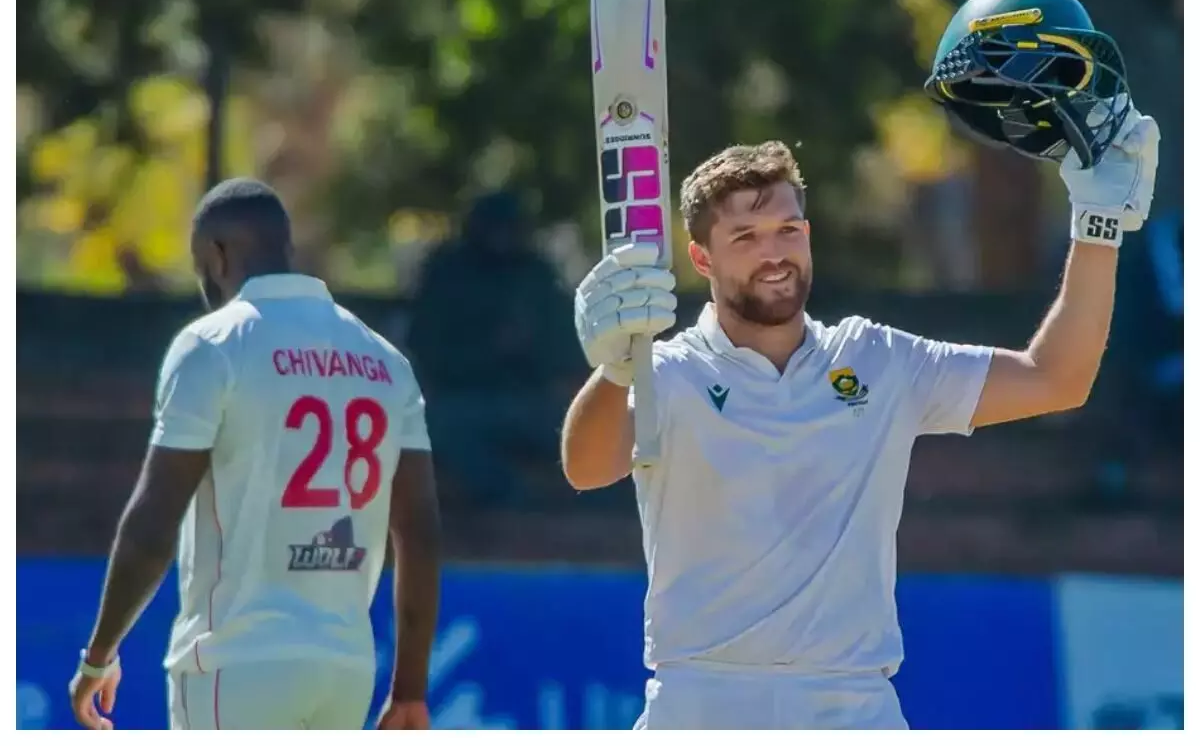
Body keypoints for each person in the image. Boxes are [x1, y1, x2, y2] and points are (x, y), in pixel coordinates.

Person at [562, 103, 1158, 727]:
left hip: (853, 707)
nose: (774, 254)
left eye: (787, 230)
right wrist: (615, 371)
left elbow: (1057, 378)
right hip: (702, 702)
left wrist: (1097, 226)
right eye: (745, 238)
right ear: (703, 258)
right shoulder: (670, 370)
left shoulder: (876, 357)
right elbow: (586, 467)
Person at [68, 179, 442, 730]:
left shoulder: (212, 345)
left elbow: (154, 520)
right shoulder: (385, 361)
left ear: (217, 255)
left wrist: (99, 656)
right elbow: (420, 529)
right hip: (345, 671)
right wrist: (408, 690)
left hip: (234, 661)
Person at [408, 191, 585, 506]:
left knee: (586, 428)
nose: (502, 239)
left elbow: (564, 349)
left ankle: (596, 514)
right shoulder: (450, 273)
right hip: (465, 398)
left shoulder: (535, 274)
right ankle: (512, 502)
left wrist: (529, 349)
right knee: (441, 426)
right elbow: (427, 348)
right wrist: (489, 349)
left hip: (530, 399)